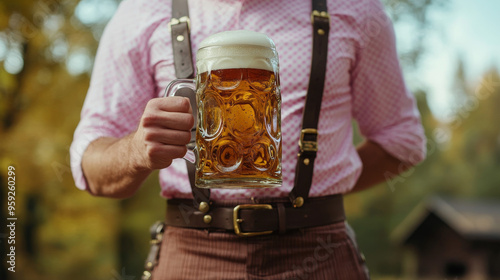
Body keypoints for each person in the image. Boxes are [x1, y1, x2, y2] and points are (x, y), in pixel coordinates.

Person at [70, 0, 426, 279]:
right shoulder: (144, 10)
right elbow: (91, 166)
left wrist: (322, 188)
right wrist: (135, 150)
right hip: (192, 253)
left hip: (320, 252)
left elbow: (403, 142)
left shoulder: (356, 8)